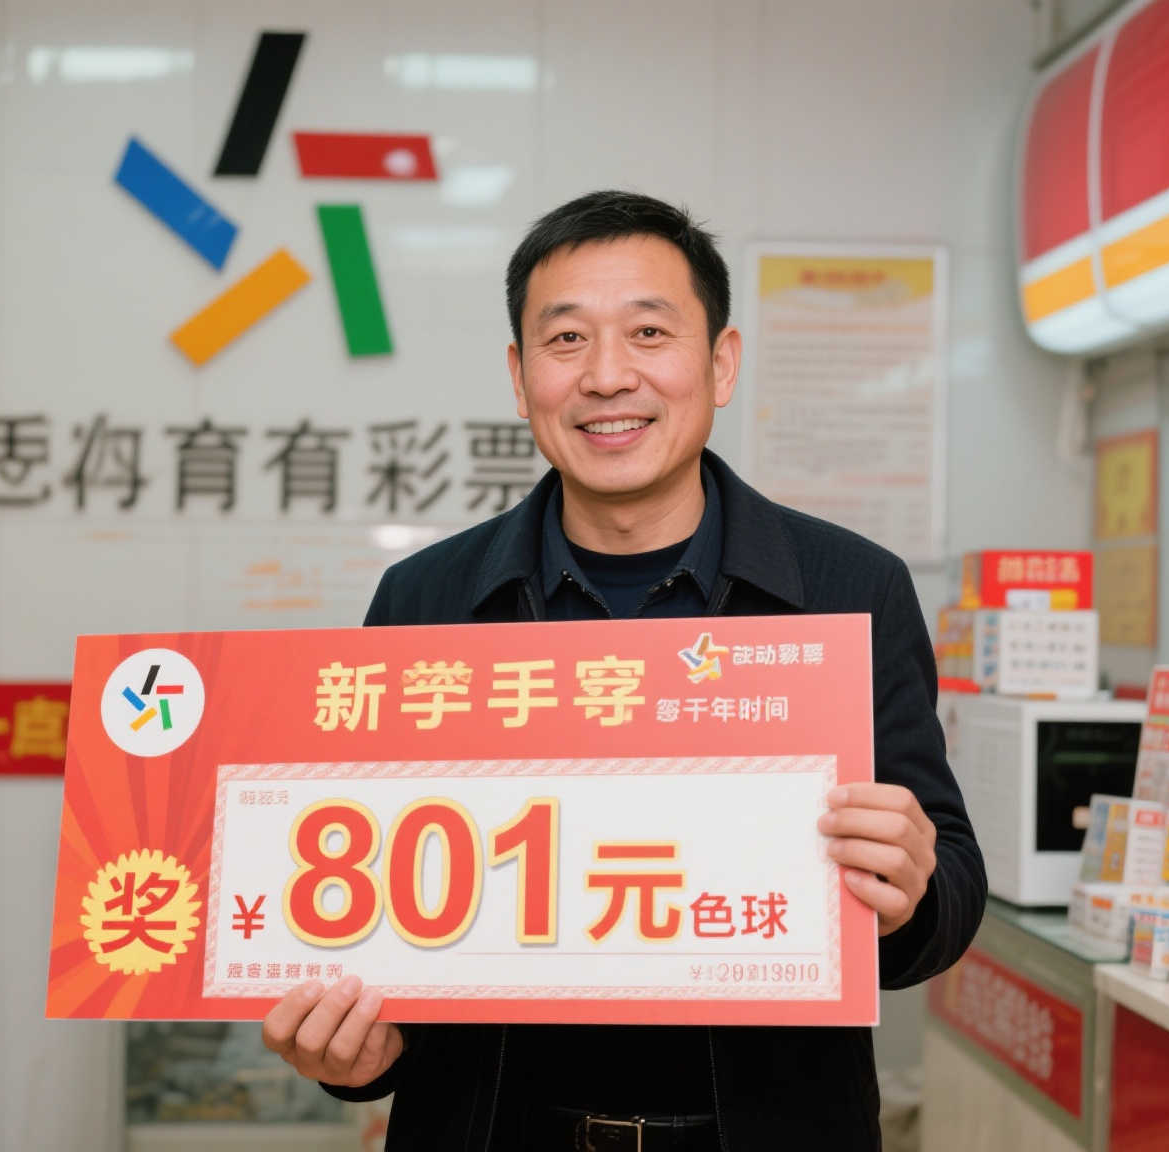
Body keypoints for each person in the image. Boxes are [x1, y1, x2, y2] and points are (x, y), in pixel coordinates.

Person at [257, 190, 986, 1148]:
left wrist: (912, 893)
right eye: (566, 340)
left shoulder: (848, 589)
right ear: (520, 377)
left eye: (649, 332)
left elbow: (948, 883)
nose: (607, 376)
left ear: (720, 363)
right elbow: (374, 914)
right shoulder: (426, 600)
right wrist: (357, 1055)